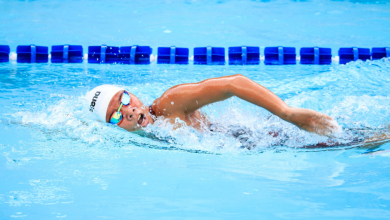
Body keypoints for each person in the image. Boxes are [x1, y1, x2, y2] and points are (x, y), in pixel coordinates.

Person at [86, 74, 339, 137]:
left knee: (348, 139)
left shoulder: (169, 104)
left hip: (254, 138)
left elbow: (233, 83)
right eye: (115, 114)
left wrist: (288, 114)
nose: (128, 111)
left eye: (126, 100)